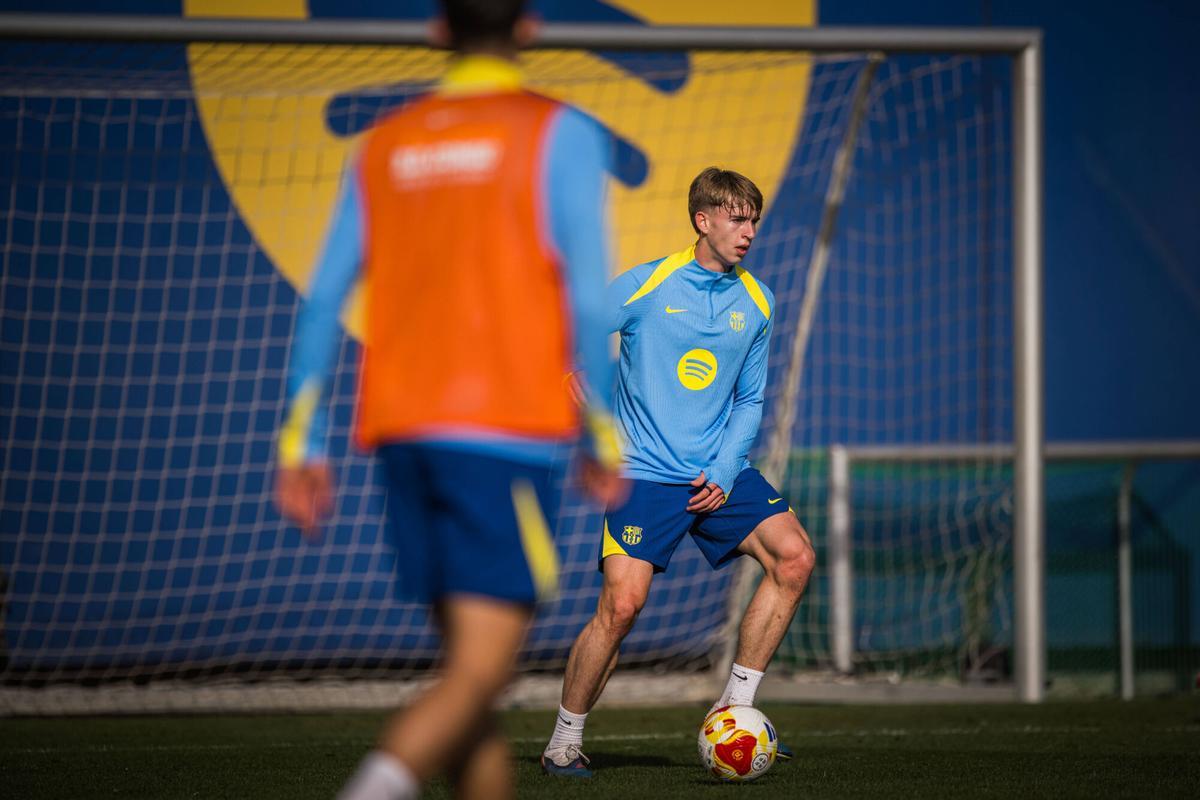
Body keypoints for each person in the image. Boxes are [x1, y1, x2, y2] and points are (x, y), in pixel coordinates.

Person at [273, 2, 625, 798]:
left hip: (405, 435)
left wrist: (301, 446)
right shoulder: (559, 131)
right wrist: (602, 434)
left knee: (473, 682)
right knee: (480, 673)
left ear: (438, 31)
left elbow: (323, 302)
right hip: (503, 432)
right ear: (529, 28)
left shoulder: (384, 143)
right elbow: (588, 300)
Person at [541, 167, 816, 778]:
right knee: (622, 607)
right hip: (643, 475)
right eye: (737, 219)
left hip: (720, 472)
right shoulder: (646, 284)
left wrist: (724, 468)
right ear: (703, 219)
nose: (749, 232)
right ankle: (564, 740)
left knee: (794, 558)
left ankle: (733, 710)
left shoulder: (759, 300)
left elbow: (750, 399)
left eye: (754, 220)